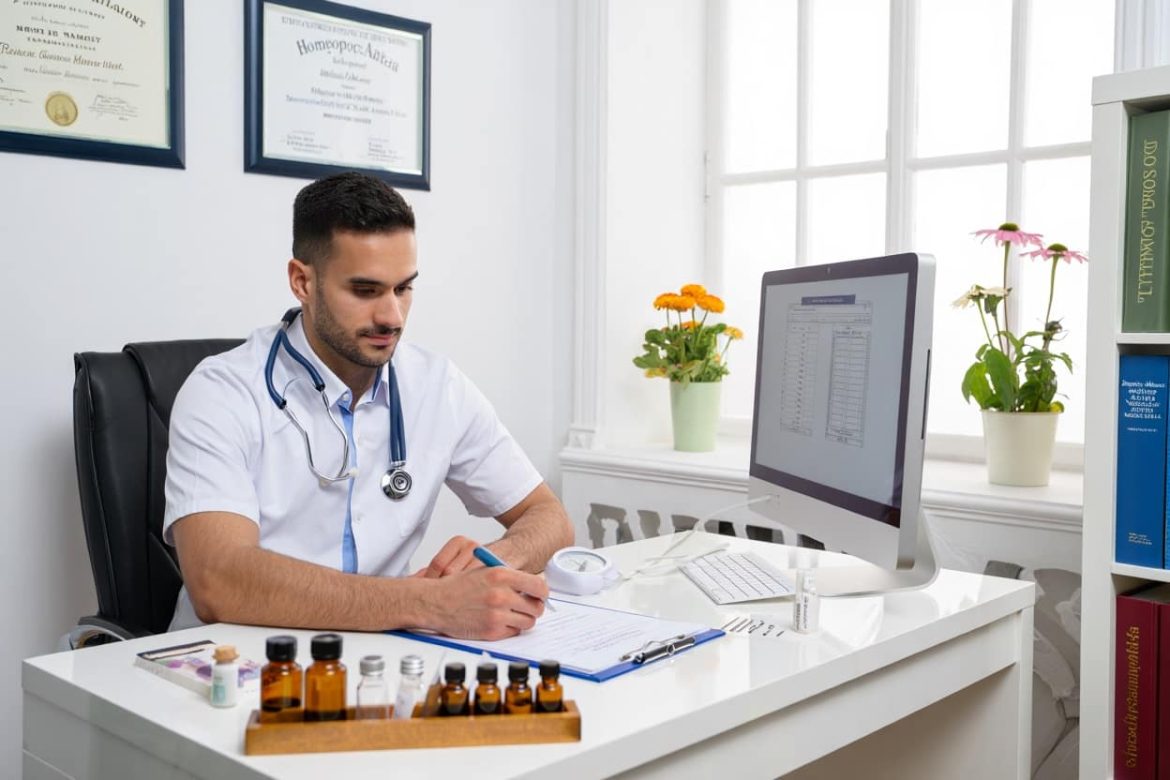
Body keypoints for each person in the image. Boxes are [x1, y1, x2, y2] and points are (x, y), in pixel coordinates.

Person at [163, 171, 574, 639]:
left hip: (378, 657)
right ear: (302, 281)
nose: (392, 317)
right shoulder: (222, 391)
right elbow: (219, 581)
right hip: (234, 667)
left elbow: (550, 518)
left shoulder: (437, 387)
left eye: (403, 288)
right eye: (365, 291)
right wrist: (431, 604)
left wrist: (494, 565)